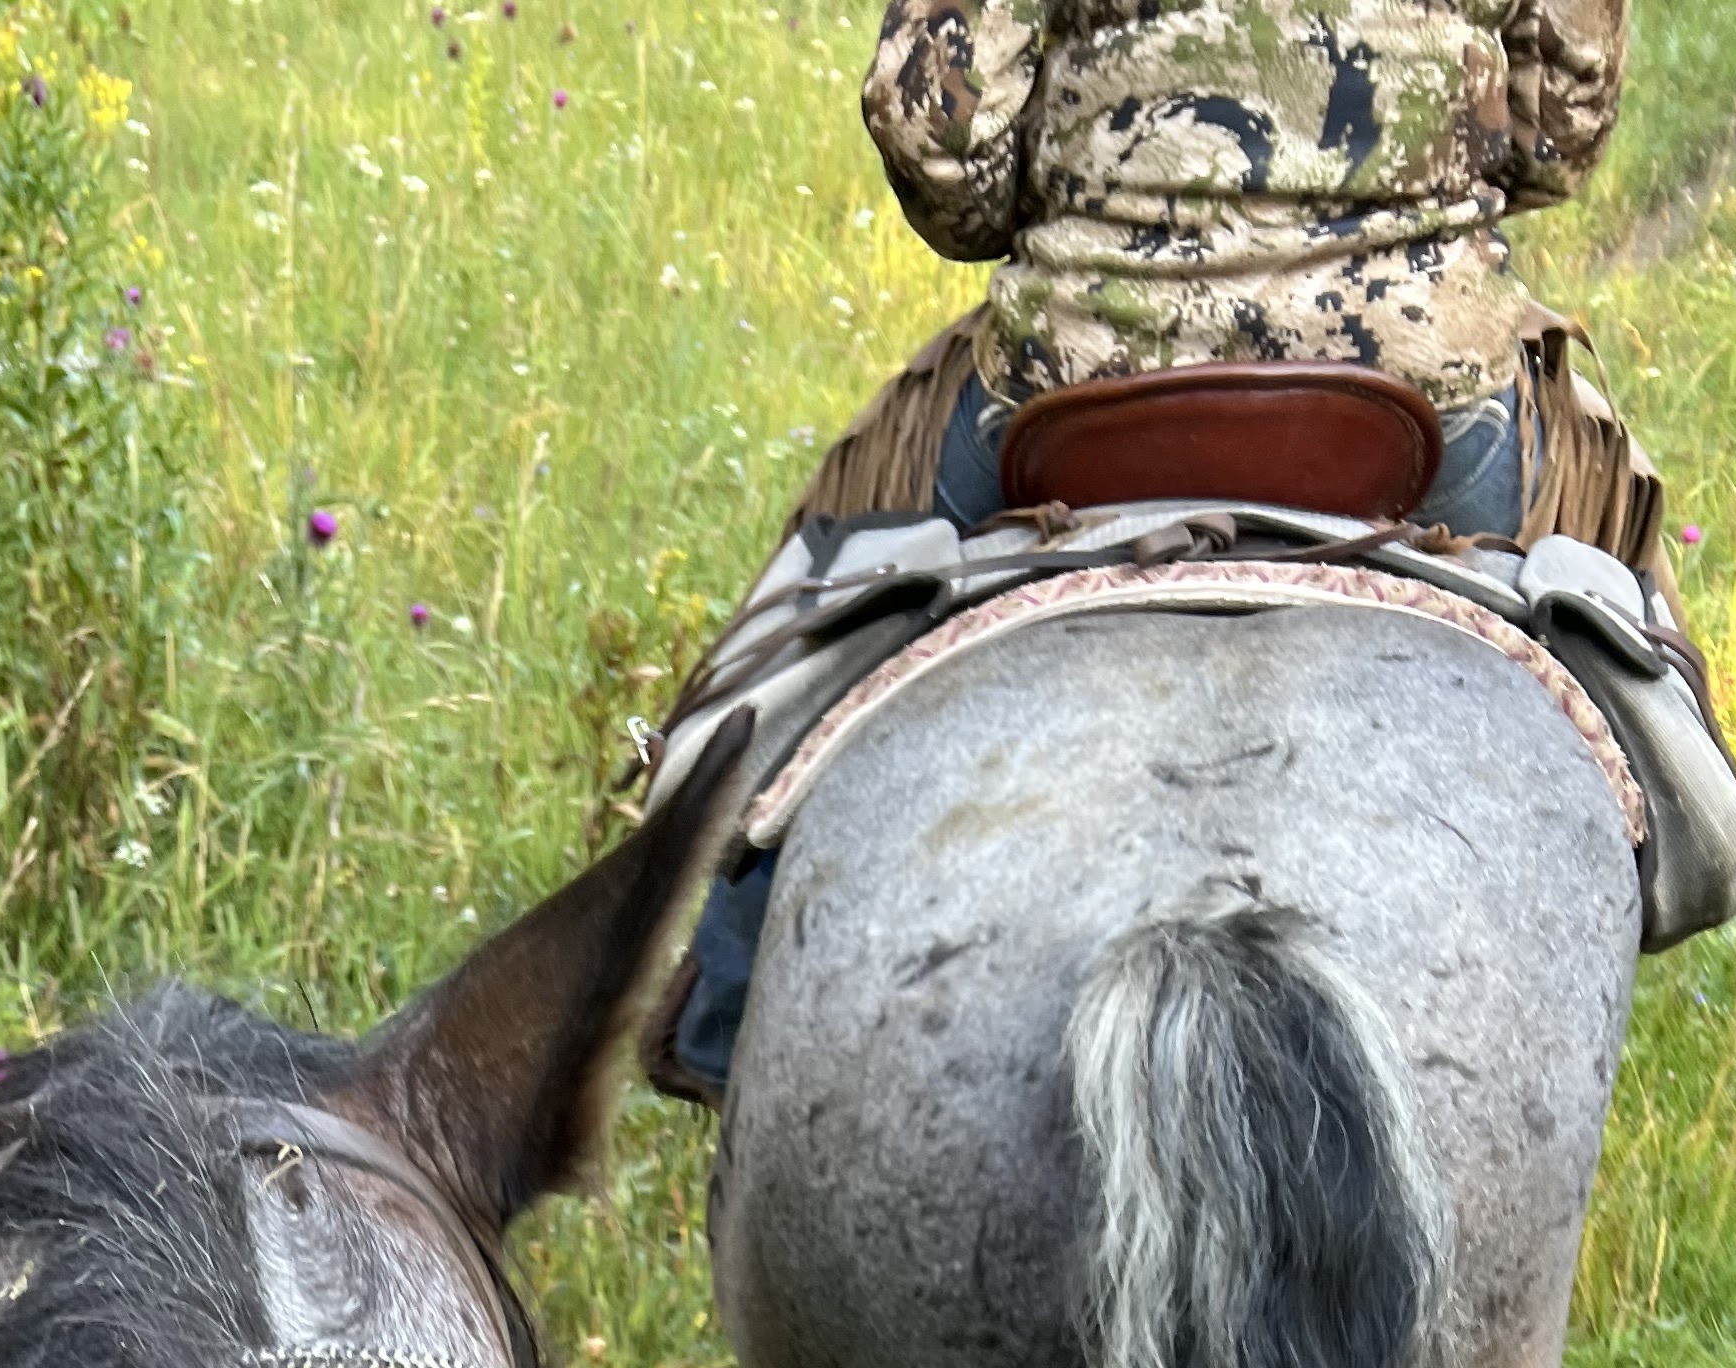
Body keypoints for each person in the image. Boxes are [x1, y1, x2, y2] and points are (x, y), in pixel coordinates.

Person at [664, 0, 1667, 1095]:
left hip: (1082, 385)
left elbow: (934, 130)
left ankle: (728, 992)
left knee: (847, 598)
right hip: (1426, 390)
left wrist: (1085, 203)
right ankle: (1668, 833)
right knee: (1599, 594)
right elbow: (1559, 125)